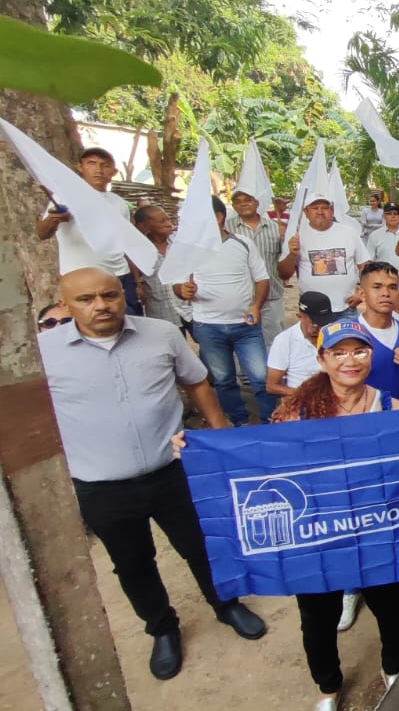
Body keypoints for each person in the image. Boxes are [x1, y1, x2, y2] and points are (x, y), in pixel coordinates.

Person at [42, 268, 266, 681]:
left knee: (201, 545)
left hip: (173, 470)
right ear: (65, 303)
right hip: (101, 485)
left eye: (109, 295)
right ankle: (162, 629)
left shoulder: (160, 334)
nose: (101, 305)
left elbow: (198, 383)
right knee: (132, 563)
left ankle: (226, 604)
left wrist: (221, 438)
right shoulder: (45, 353)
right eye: (86, 299)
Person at [180, 320, 399, 711]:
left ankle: (393, 668)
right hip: (316, 536)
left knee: (390, 606)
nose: (350, 360)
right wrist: (195, 448)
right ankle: (328, 686)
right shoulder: (298, 413)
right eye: (338, 352)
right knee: (317, 618)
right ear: (322, 359)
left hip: (373, 529)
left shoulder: (392, 407)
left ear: (372, 355)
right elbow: (259, 461)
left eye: (359, 350)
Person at [176, 196, 276, 426]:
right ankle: (238, 421)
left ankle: (271, 420)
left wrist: (256, 306)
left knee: (260, 377)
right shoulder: (187, 250)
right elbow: (178, 285)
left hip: (246, 326)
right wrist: (184, 290)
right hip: (207, 327)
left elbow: (262, 279)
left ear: (218, 217)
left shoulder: (242, 243)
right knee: (223, 379)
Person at [34, 147, 142, 315]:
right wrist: (54, 218)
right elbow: (42, 233)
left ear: (113, 172)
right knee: (92, 325)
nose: (98, 170)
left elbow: (126, 244)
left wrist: (136, 282)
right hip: (82, 277)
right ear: (80, 167)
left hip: (118, 275)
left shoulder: (119, 203)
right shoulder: (64, 196)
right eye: (92, 163)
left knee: (131, 322)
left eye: (105, 165)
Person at [279, 192, 369, 316]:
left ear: (331, 210)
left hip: (346, 308)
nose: (320, 212)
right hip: (312, 311)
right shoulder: (296, 237)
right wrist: (291, 254)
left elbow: (365, 266)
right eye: (315, 208)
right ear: (306, 212)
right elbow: (284, 275)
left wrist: (362, 292)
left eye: (325, 208)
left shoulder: (348, 233)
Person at [227, 187, 287, 346]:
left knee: (275, 341)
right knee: (243, 341)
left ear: (257, 203)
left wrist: (284, 239)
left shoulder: (276, 228)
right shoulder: (226, 229)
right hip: (240, 298)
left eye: (248, 200)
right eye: (238, 201)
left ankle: (274, 370)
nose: (243, 204)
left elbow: (285, 259)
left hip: (271, 295)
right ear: (233, 206)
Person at [355, 262, 399, 405]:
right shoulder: (349, 333)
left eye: (392, 287)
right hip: (365, 418)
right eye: (377, 287)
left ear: (398, 294)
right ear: (361, 293)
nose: (385, 293)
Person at [134, 205, 192, 336]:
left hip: (187, 307)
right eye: (162, 221)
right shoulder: (139, 251)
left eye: (168, 219)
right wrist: (137, 284)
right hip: (161, 311)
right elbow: (136, 278)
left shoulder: (179, 244)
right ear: (144, 226)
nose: (169, 224)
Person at [266, 291, 335, 397]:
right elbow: (272, 386)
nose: (319, 328)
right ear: (300, 316)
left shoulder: (336, 335)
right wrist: (307, 395)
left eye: (324, 323)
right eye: (314, 324)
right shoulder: (284, 340)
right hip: (301, 400)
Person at [365, 202, 399, 266]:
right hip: (383, 274)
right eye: (389, 214)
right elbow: (369, 259)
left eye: (396, 213)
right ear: (384, 216)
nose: (393, 216)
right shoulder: (375, 235)